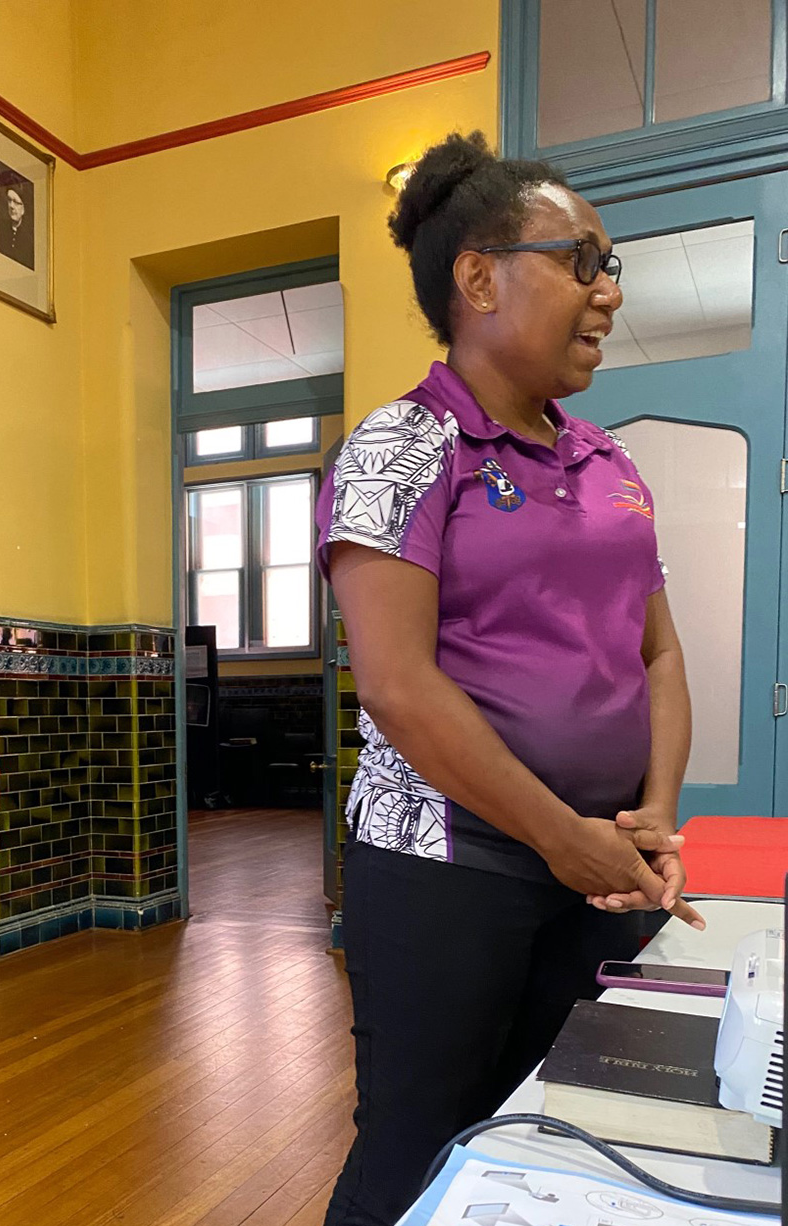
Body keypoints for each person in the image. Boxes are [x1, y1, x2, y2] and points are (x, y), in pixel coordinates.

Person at [317, 131, 703, 1226]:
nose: (610, 292)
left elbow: (658, 650)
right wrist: (556, 832)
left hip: (597, 856)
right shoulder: (403, 447)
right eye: (581, 261)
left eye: (611, 264)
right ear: (478, 277)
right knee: (418, 1137)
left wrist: (652, 815)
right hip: (446, 861)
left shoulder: (611, 462)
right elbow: (398, 685)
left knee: (567, 1128)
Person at [0, 170, 35, 270]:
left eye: (16, 202)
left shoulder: (29, 240)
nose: (11, 206)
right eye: (9, 200)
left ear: (24, 209)